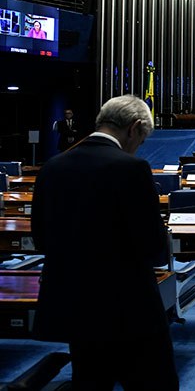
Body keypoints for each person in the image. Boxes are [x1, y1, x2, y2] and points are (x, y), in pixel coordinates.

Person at [31, 95, 178, 389]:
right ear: (134, 128)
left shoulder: (52, 167)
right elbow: (153, 247)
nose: (139, 146)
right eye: (143, 139)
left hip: (74, 306)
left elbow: (40, 240)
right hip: (128, 308)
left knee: (90, 383)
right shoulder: (131, 168)